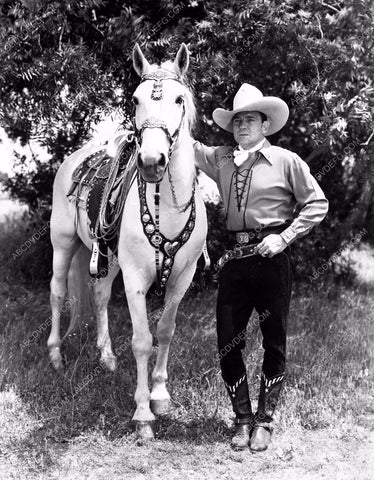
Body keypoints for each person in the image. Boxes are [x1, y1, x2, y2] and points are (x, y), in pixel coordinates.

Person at [193, 84, 328, 451]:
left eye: (249, 120)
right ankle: (241, 419)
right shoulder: (221, 158)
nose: (242, 127)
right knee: (227, 342)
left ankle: (265, 422)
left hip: (272, 260)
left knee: (274, 341)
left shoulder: (286, 160)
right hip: (235, 264)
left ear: (265, 125)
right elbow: (184, 147)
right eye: (237, 121)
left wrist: (285, 237)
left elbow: (318, 203)